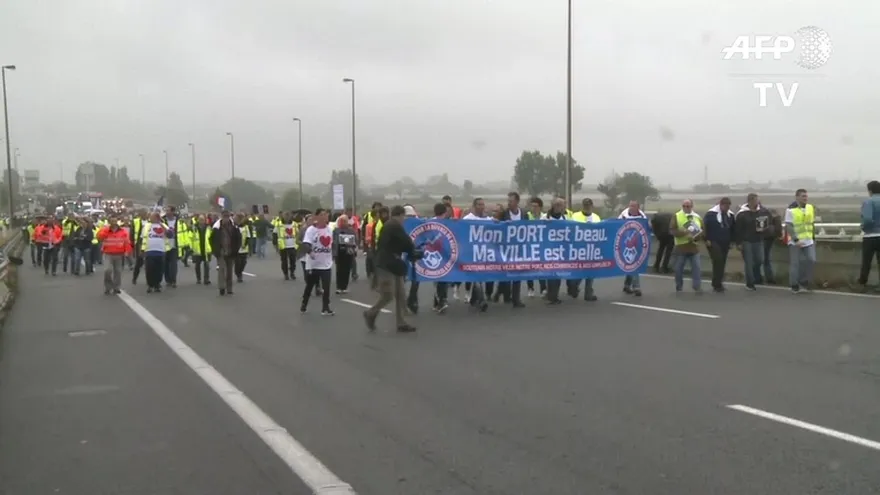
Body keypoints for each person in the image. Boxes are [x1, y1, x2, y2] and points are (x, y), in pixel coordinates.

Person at [364, 205, 417, 332]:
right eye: (404, 217)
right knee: (388, 294)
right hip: (386, 264)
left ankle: (401, 322)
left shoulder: (390, 225)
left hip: (394, 263)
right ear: (400, 215)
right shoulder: (394, 225)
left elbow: (399, 243)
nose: (404, 220)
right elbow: (406, 242)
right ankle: (371, 313)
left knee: (400, 294)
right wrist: (413, 251)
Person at [299, 208, 334, 315]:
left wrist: (334, 255)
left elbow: (331, 244)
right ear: (317, 217)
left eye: (326, 215)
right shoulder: (311, 230)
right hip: (314, 264)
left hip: (326, 263)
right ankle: (304, 303)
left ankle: (325, 307)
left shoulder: (329, 230)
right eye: (322, 215)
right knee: (309, 286)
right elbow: (306, 243)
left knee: (326, 287)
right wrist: (310, 252)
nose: (325, 217)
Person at [735, 193, 772, 290]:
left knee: (760, 260)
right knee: (749, 262)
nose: (757, 202)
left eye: (757, 200)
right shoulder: (742, 214)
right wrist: (738, 243)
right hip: (746, 241)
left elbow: (769, 222)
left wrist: (765, 229)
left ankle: (755, 276)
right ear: (750, 201)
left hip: (758, 239)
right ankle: (750, 283)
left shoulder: (762, 211)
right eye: (755, 200)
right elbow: (738, 229)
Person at [568, 197, 601, 302]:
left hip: (592, 249)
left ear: (592, 206)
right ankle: (573, 288)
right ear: (583, 206)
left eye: (589, 205)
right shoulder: (575, 216)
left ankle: (588, 294)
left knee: (590, 273)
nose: (587, 207)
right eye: (585, 205)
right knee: (579, 272)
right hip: (579, 249)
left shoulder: (596, 217)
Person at [784, 188, 816, 293]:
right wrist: (796, 240)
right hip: (795, 241)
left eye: (806, 196)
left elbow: (811, 223)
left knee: (811, 260)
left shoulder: (810, 207)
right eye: (803, 196)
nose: (805, 198)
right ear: (797, 197)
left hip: (808, 240)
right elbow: (789, 226)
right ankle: (794, 284)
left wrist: (813, 237)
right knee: (795, 263)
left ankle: (804, 281)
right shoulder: (790, 210)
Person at [670, 199, 703, 292]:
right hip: (681, 247)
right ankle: (679, 286)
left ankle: (697, 286)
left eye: (688, 206)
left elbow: (702, 231)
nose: (685, 208)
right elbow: (672, 230)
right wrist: (684, 232)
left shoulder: (697, 217)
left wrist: (696, 237)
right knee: (678, 269)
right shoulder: (676, 216)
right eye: (684, 206)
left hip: (694, 247)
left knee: (697, 268)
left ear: (692, 206)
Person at [704, 197, 735, 292]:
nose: (726, 208)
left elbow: (733, 229)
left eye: (728, 207)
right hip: (713, 241)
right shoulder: (711, 214)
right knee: (718, 260)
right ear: (721, 205)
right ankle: (716, 283)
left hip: (725, 242)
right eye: (725, 206)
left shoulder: (730, 215)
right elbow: (705, 227)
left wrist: (732, 241)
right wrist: (706, 239)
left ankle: (718, 282)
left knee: (722, 262)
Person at [619, 200, 648, 296]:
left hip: (637, 243)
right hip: (626, 242)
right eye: (630, 205)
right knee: (632, 264)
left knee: (633, 265)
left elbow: (645, 227)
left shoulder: (642, 216)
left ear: (638, 207)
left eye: (633, 206)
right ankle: (636, 287)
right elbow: (618, 226)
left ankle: (627, 285)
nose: (631, 207)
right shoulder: (624, 215)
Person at [97, 217, 133, 294]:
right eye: (112, 221)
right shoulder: (105, 230)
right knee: (107, 270)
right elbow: (99, 237)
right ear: (110, 222)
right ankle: (108, 287)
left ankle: (116, 287)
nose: (114, 222)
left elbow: (127, 242)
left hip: (119, 254)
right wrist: (105, 230)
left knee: (118, 271)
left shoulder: (122, 231)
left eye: (115, 221)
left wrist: (127, 251)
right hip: (108, 253)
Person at [210, 210, 242, 296]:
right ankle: (222, 287)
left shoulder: (234, 227)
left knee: (229, 271)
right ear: (221, 217)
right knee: (222, 270)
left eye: (227, 216)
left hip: (231, 251)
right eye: (224, 216)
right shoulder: (217, 227)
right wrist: (215, 250)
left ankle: (229, 288)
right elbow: (211, 239)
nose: (226, 218)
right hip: (221, 252)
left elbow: (238, 238)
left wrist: (236, 249)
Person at [142, 211, 171, 293]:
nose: (150, 218)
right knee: (149, 269)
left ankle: (157, 284)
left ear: (157, 218)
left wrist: (161, 225)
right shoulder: (147, 226)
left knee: (159, 270)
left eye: (153, 217)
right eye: (151, 217)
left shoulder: (164, 225)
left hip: (161, 251)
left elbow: (170, 235)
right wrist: (142, 250)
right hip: (149, 251)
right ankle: (150, 285)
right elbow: (142, 237)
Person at [858, 180, 880, 291]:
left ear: (870, 191)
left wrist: (863, 227)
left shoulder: (869, 202)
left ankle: (862, 283)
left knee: (866, 262)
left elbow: (867, 219)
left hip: (870, 236)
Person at [332, 214, 357, 293]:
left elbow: (355, 240)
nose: (342, 223)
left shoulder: (351, 230)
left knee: (347, 269)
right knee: (339, 270)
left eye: (344, 221)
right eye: (341, 221)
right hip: (339, 252)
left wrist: (354, 249)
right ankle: (339, 287)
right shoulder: (336, 231)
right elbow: (333, 241)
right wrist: (333, 253)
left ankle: (344, 287)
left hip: (348, 252)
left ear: (347, 222)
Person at [190, 214, 212, 285]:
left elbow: (211, 237)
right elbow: (190, 238)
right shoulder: (194, 228)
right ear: (198, 220)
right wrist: (191, 247)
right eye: (200, 219)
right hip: (197, 249)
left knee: (207, 265)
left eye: (202, 219)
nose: (201, 221)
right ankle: (198, 279)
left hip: (206, 249)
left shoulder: (208, 228)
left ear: (205, 220)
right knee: (197, 265)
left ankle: (206, 279)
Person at [276, 211, 299, 280]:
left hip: (293, 245)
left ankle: (292, 272)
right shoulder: (279, 224)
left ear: (291, 216)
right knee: (284, 261)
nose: (287, 217)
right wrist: (276, 245)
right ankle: (286, 274)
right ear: (283, 216)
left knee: (293, 261)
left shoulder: (294, 224)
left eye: (288, 216)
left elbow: (298, 234)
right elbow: (275, 234)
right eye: (285, 216)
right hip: (283, 246)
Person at [234, 213, 251, 283]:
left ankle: (240, 272)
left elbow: (248, 237)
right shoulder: (234, 227)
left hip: (244, 248)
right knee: (238, 263)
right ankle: (238, 275)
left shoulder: (246, 227)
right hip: (236, 249)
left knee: (243, 262)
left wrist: (245, 244)